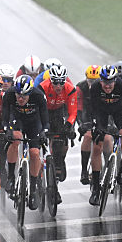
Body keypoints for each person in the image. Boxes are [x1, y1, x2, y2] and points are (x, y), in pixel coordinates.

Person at [87, 65, 122, 206]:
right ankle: (96, 189)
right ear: (100, 81)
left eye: (110, 82)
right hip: (101, 112)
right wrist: (96, 126)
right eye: (105, 82)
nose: (107, 86)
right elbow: (92, 110)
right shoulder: (95, 87)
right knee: (97, 146)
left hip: (119, 111)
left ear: (115, 80)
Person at [2, 75, 49, 208]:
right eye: (18, 96)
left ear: (30, 93)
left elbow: (45, 118)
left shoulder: (38, 95)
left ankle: (33, 189)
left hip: (34, 123)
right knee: (15, 138)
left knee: (34, 153)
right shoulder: (9, 94)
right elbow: (5, 116)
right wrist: (7, 130)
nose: (20, 99)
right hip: (17, 120)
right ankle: (11, 177)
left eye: (24, 96)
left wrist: (44, 132)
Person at [40, 62, 79, 198]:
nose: (58, 86)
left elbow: (72, 112)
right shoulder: (42, 87)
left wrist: (68, 126)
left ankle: (59, 163)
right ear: (50, 80)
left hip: (58, 113)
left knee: (61, 141)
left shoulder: (70, 89)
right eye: (55, 82)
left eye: (61, 82)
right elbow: (38, 110)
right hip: (43, 113)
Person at [77, 65, 101, 184]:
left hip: (102, 114)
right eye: (90, 81)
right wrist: (81, 124)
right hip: (87, 114)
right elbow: (78, 109)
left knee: (107, 139)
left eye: (95, 81)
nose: (92, 84)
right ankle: (84, 170)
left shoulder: (106, 87)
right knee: (87, 136)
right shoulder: (81, 87)